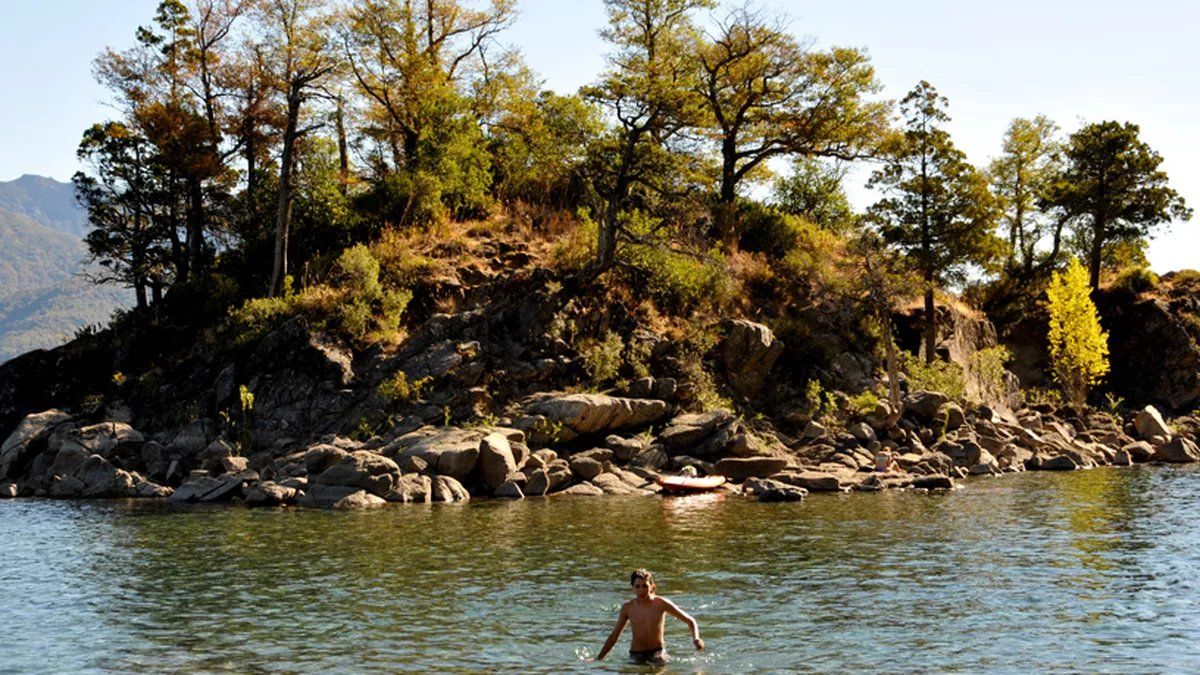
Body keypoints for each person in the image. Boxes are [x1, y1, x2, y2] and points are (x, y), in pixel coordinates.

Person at [595, 569, 704, 665]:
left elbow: (690, 620)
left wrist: (696, 638)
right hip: (635, 655)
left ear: (652, 586)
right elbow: (614, 636)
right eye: (637, 586)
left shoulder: (661, 603)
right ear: (632, 587)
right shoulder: (628, 608)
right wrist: (599, 658)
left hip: (657, 653)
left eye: (645, 586)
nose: (641, 590)